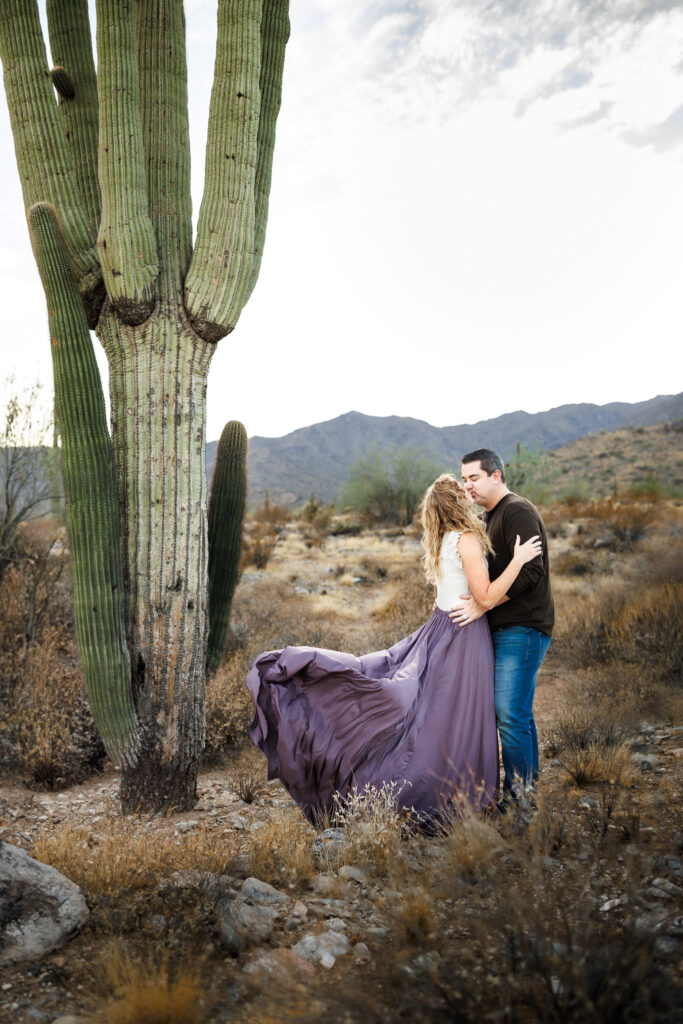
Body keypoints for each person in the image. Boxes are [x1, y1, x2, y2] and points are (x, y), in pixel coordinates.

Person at [245, 473, 542, 828]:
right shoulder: (466, 541)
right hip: (464, 635)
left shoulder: (444, 540)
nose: (470, 495)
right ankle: (450, 794)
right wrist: (519, 559)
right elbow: (487, 596)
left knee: (434, 714)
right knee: (456, 716)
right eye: (464, 492)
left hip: (440, 628)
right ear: (458, 503)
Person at [450, 449, 554, 808]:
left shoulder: (517, 511)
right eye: (464, 479)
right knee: (515, 714)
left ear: (496, 476)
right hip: (502, 628)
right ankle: (525, 796)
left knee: (509, 714)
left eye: (473, 478)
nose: (468, 486)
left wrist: (485, 603)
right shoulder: (488, 517)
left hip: (523, 628)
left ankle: (520, 806)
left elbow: (531, 570)